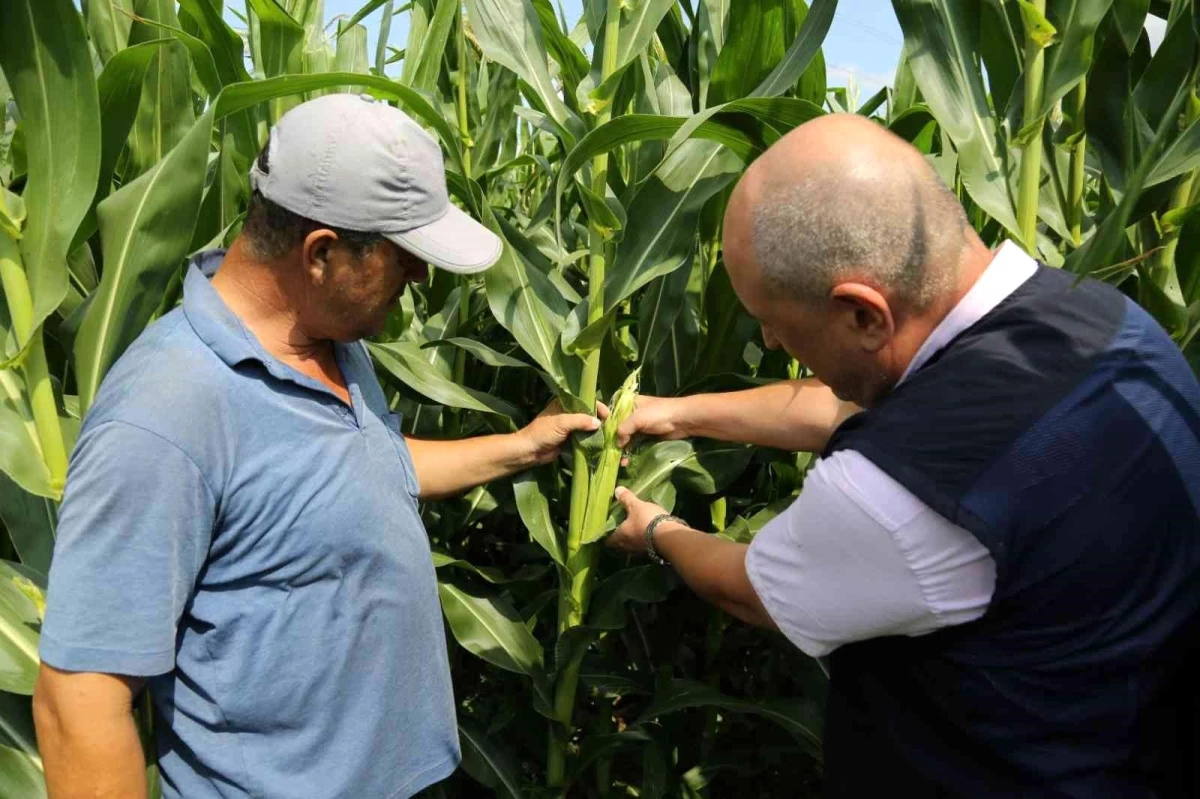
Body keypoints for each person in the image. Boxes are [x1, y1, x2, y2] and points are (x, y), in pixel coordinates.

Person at [607, 113, 1200, 797]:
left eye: (776, 321)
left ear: (863, 314)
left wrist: (656, 529)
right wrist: (674, 413)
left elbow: (749, 589)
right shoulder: (1100, 319)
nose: (768, 340)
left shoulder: (895, 497)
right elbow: (855, 411)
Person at [31, 93, 600, 799]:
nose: (421, 279)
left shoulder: (329, 340)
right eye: (404, 257)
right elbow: (77, 703)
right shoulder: (166, 412)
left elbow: (362, 474)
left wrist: (522, 446)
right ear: (323, 252)